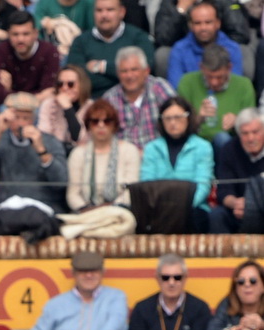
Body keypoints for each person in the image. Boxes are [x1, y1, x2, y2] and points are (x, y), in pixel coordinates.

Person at [0, 89, 67, 207]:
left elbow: (60, 182)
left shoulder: (50, 141)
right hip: (6, 205)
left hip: (42, 205)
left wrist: (41, 150)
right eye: (16, 117)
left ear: (34, 119)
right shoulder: (0, 139)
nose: (21, 123)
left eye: (26, 118)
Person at [61, 96, 137, 235]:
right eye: (95, 121)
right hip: (86, 214)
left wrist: (108, 209)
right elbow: (73, 195)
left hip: (118, 213)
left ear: (114, 125)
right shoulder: (78, 153)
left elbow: (130, 192)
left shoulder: (129, 150)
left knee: (126, 221)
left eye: (107, 121)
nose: (101, 126)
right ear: (89, 125)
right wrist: (89, 210)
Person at [25, 248, 127, 330]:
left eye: (94, 270)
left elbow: (116, 326)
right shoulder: (55, 304)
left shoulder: (115, 297)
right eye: (83, 271)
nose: (89, 275)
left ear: (103, 272)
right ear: (73, 273)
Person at [140, 94, 212, 228]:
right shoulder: (152, 148)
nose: (173, 122)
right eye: (167, 118)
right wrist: (164, 207)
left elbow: (203, 185)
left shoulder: (203, 147)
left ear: (188, 118)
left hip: (192, 207)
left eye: (178, 117)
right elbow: (147, 184)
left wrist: (182, 207)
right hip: (159, 208)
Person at [63, 0, 147, 99]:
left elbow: (145, 71)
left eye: (110, 10)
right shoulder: (80, 41)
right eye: (99, 10)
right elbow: (76, 78)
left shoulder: (138, 37)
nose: (104, 15)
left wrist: (102, 66)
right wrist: (120, 75)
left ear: (122, 12)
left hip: (132, 100)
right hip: (91, 103)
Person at [125, 251, 212, 330]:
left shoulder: (200, 309)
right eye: (165, 278)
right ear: (157, 278)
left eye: (177, 277)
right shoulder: (142, 309)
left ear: (185, 278)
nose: (171, 283)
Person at [100, 45, 171, 150]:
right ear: (118, 74)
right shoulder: (109, 99)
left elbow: (177, 118)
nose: (129, 76)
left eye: (134, 70)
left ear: (146, 71)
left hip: (159, 157)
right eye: (124, 71)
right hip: (123, 160)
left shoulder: (159, 88)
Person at [179, 44, 249, 150]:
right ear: (201, 68)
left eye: (220, 77)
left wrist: (238, 121)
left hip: (230, 146)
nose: (214, 82)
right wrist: (198, 119)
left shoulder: (244, 85)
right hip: (194, 145)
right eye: (209, 76)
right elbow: (177, 126)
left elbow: (252, 127)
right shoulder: (187, 82)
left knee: (222, 138)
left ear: (229, 68)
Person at [0, 7, 58, 103]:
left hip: (39, 108)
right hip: (9, 107)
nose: (20, 39)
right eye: (15, 34)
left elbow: (48, 93)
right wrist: (38, 97)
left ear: (35, 34)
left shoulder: (50, 52)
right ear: (8, 34)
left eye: (26, 34)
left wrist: (10, 92)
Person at [165, 0, 239, 88]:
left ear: (218, 23)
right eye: (197, 23)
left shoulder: (232, 49)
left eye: (208, 22)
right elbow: (176, 87)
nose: (203, 28)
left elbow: (235, 87)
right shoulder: (179, 50)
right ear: (190, 25)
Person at [213, 105, 264, 232]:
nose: (251, 138)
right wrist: (236, 203)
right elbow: (224, 191)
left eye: (255, 132)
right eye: (245, 133)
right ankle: (224, 251)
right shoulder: (229, 149)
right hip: (238, 210)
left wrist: (254, 205)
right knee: (216, 215)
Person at [209, 258, 264, 330]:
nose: (247, 285)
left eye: (253, 281)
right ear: (235, 287)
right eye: (241, 281)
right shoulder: (227, 303)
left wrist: (261, 326)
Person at [35, 63, 90, 145]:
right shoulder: (49, 104)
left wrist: (68, 108)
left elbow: (78, 137)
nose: (65, 88)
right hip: (54, 152)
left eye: (70, 84)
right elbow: (44, 136)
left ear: (82, 85)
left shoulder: (91, 107)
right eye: (60, 84)